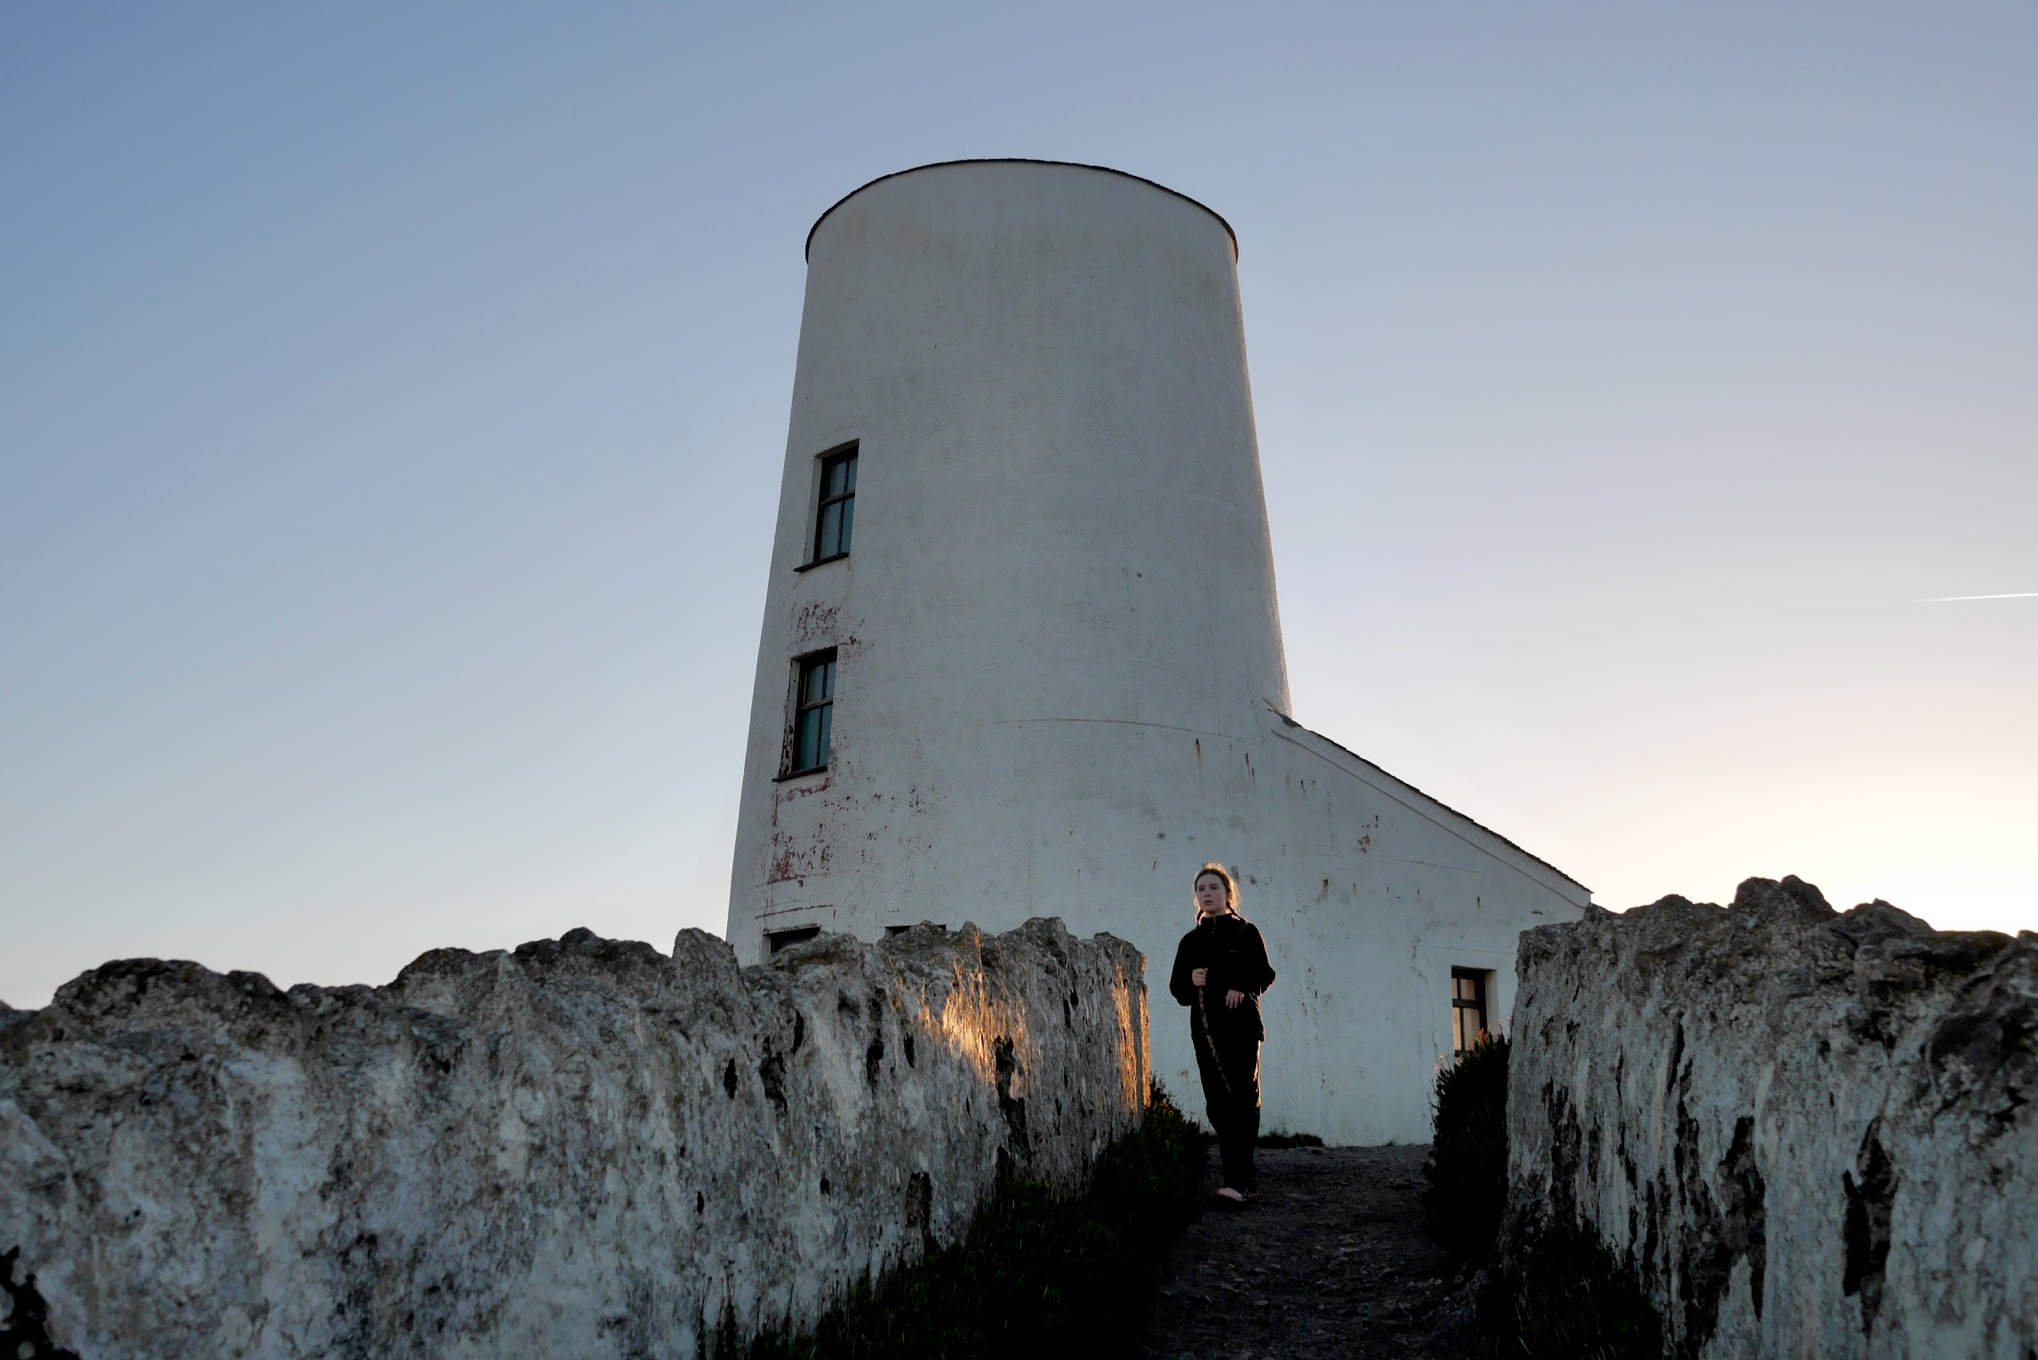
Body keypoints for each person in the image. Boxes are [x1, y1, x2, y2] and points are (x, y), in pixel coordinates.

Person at [1168, 862, 1276, 1204]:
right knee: (1217, 1104)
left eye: (1213, 887)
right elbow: (1177, 990)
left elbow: (1265, 974)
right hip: (1206, 1033)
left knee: (1242, 1099)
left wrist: (1242, 986)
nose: (1207, 894)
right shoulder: (1190, 941)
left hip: (1243, 1028)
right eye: (1201, 889)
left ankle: (1238, 1182)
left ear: (1228, 893)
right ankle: (1246, 1180)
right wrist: (1191, 980)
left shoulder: (1246, 933)